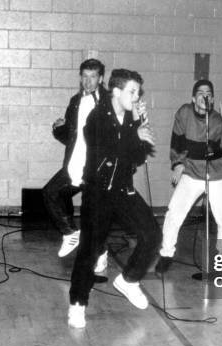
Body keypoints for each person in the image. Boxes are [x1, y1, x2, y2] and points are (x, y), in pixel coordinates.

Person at [68, 69, 160, 328]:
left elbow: (138, 156)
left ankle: (128, 280)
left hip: (122, 189)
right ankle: (77, 304)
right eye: (132, 91)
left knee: (152, 235)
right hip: (98, 192)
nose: (137, 96)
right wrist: (135, 135)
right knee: (90, 249)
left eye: (138, 92)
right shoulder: (98, 116)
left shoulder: (131, 118)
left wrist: (140, 126)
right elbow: (107, 146)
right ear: (116, 92)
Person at [155, 79, 222, 273]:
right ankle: (166, 254)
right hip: (191, 172)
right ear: (193, 98)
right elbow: (177, 141)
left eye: (208, 92)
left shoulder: (218, 119)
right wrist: (177, 164)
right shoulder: (184, 113)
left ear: (213, 98)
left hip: (215, 173)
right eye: (200, 92)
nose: (204, 95)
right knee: (174, 213)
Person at [43, 59, 108, 272]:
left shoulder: (108, 101)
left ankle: (102, 254)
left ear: (100, 78)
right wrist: (59, 128)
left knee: (94, 213)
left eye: (93, 77)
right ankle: (70, 233)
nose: (88, 81)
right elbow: (72, 136)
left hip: (96, 167)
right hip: (74, 162)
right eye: (84, 77)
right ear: (80, 77)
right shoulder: (75, 101)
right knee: (51, 192)